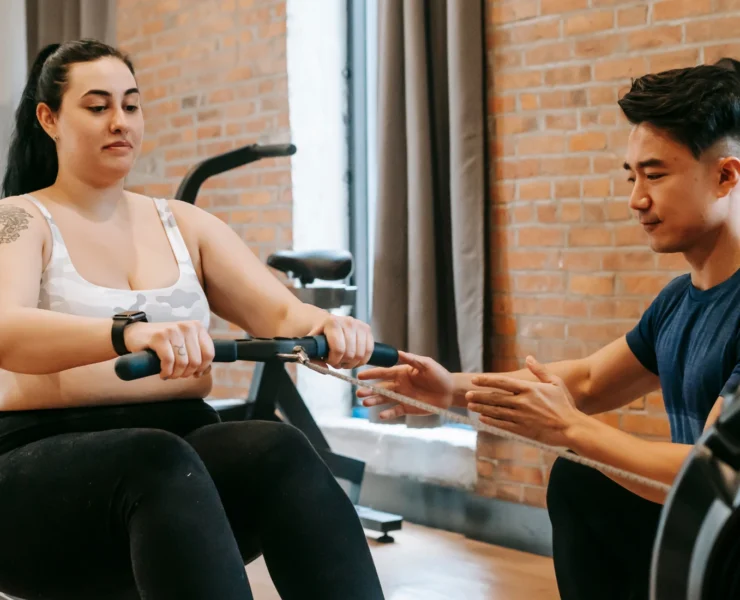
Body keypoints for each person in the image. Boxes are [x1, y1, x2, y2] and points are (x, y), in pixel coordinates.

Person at [0, 39, 385, 600]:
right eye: (97, 105)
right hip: (37, 467)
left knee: (277, 447)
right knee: (157, 458)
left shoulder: (184, 223)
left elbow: (279, 310)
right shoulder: (18, 219)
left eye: (131, 106)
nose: (119, 122)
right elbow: (6, 331)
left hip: (178, 454)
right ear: (49, 119)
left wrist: (326, 325)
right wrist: (129, 331)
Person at [358, 61, 740, 600]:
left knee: (583, 462)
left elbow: (717, 476)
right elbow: (584, 381)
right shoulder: (679, 301)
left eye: (654, 175)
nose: (636, 199)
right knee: (584, 479)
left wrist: (568, 429)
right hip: (707, 540)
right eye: (631, 176)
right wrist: (452, 390)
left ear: (726, 175)